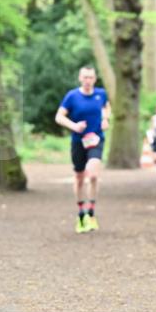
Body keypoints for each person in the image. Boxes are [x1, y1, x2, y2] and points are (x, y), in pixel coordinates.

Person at [55, 67, 111, 234]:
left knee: (93, 175)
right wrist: (74, 126)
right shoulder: (72, 96)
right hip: (78, 141)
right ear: (80, 78)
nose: (88, 80)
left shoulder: (101, 94)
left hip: (96, 139)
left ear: (95, 79)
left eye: (91, 77)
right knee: (79, 178)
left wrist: (106, 119)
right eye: (85, 77)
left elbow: (106, 107)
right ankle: (81, 215)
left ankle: (91, 213)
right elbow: (59, 117)